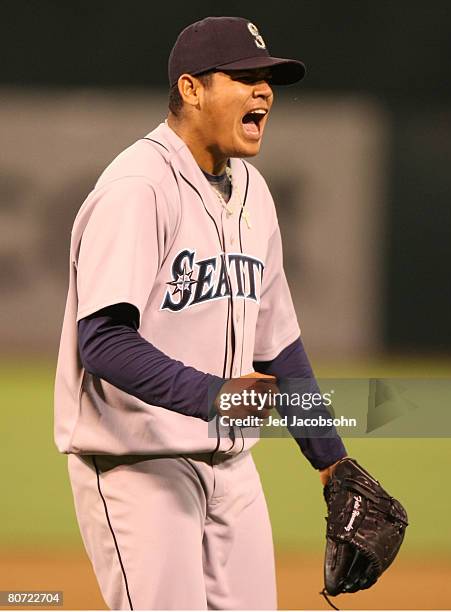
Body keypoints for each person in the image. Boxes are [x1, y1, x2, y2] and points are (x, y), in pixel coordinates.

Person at [54, 16, 346, 610]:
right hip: (139, 467)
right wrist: (216, 394)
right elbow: (104, 343)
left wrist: (331, 460)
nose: (264, 90)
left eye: (268, 78)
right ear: (191, 89)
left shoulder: (254, 192)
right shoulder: (138, 187)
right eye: (244, 76)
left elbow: (279, 347)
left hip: (232, 470)